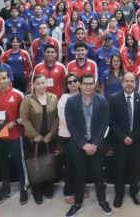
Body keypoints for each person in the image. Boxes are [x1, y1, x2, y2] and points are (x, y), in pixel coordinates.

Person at [64, 73, 112, 217]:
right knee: (80, 175)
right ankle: (77, 204)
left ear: (94, 85)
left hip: (97, 145)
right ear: (80, 84)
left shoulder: (102, 101)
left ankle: (103, 201)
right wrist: (84, 145)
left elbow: (104, 124)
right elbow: (71, 126)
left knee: (99, 174)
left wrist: (95, 144)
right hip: (79, 146)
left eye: (91, 84)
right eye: (85, 84)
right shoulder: (71, 102)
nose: (88, 86)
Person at [0, 69, 29, 205]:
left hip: (15, 135)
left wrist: (16, 122)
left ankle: (23, 187)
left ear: (9, 80)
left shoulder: (18, 95)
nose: (2, 81)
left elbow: (25, 116)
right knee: (2, 161)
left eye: (4, 78)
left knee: (19, 161)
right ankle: (6, 185)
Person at [108, 72, 140, 207]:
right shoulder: (113, 99)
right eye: (127, 81)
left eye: (132, 81)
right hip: (119, 141)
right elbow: (111, 121)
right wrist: (123, 137)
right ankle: (119, 193)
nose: (129, 84)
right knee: (119, 168)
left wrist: (132, 137)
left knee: (134, 168)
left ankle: (133, 192)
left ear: (135, 83)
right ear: (122, 83)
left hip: (136, 141)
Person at [20, 74, 59, 204]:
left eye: (43, 83)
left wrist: (50, 134)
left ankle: (48, 187)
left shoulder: (53, 98)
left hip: (49, 138)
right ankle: (37, 191)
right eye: (38, 83)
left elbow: (56, 118)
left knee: (48, 163)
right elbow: (24, 119)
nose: (41, 85)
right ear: (33, 85)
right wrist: (35, 135)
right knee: (35, 165)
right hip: (33, 139)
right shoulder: (27, 99)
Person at [58, 73, 80, 204]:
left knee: (80, 164)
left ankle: (79, 188)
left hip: (81, 137)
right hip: (68, 136)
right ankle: (68, 191)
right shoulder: (64, 98)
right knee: (70, 165)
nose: (72, 84)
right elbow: (64, 118)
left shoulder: (84, 96)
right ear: (66, 85)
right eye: (69, 82)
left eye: (75, 81)